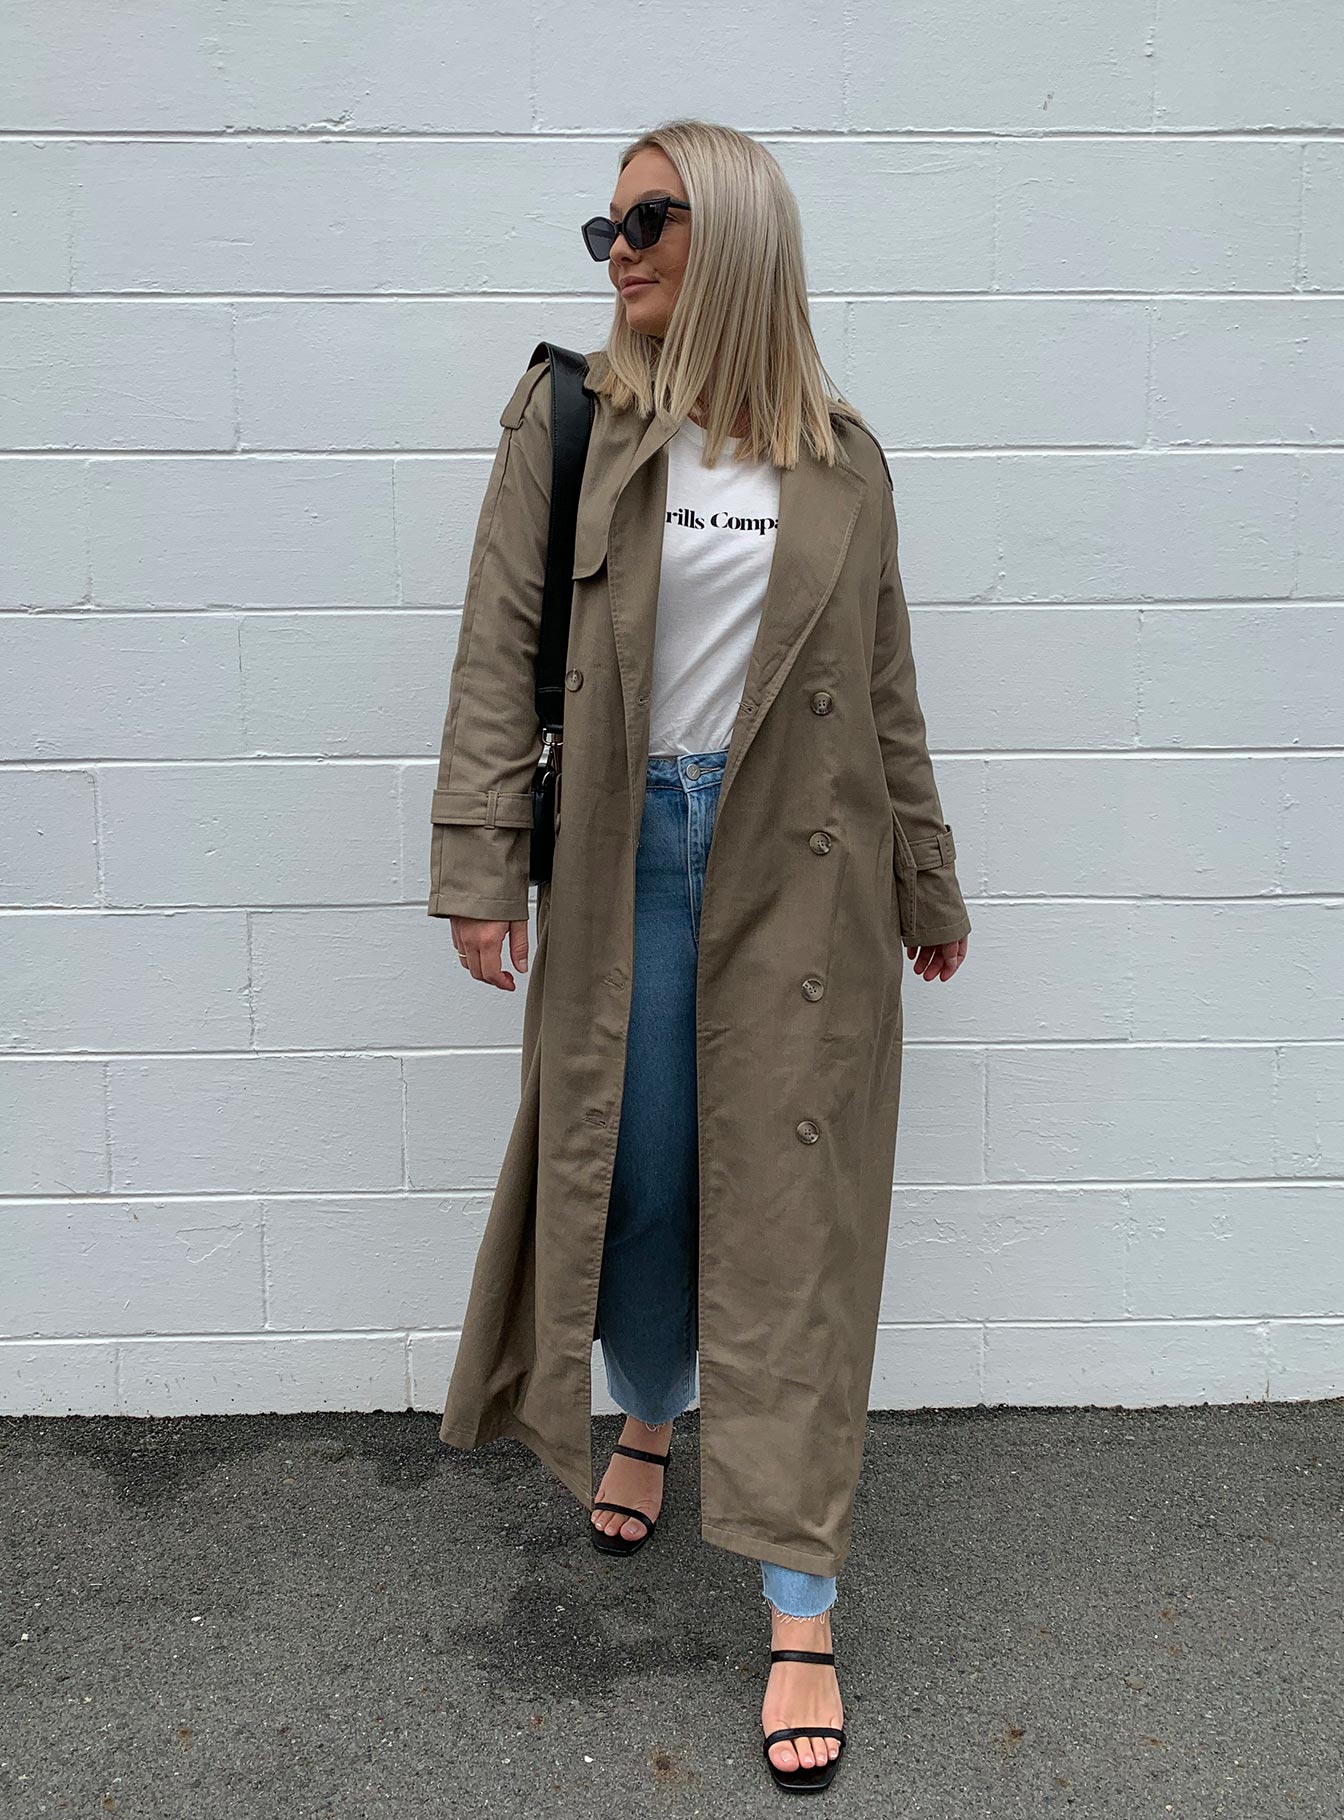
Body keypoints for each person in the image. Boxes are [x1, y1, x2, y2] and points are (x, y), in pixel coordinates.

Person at [430, 118, 972, 1794]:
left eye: (650, 220)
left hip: (802, 876)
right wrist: (481, 864)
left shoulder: (844, 460)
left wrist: (930, 882)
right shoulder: (571, 422)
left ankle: (801, 1605)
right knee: (647, 1185)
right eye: (605, 227)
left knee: (795, 1228)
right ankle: (653, 1405)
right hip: (629, 857)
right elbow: (497, 645)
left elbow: (885, 692)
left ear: (733, 233)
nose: (619, 251)